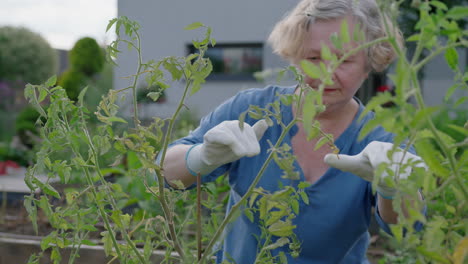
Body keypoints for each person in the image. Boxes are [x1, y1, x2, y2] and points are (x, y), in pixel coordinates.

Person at [162, 0, 425, 263]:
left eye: (344, 60)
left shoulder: (381, 137)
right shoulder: (252, 110)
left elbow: (408, 226)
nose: (327, 73)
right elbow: (161, 175)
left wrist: (394, 189)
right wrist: (202, 156)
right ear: (295, 56)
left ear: (369, 65)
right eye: (313, 58)